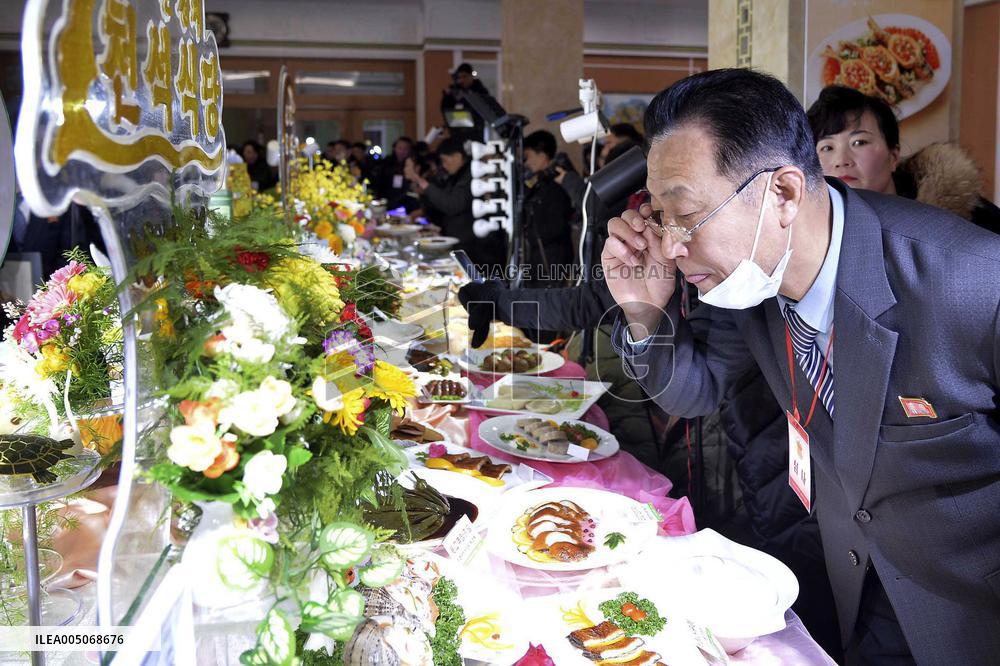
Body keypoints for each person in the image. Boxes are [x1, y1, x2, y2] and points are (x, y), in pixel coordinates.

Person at [602, 69, 1000, 665]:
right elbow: (700, 392)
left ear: (783, 193)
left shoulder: (971, 282)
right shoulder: (754, 285)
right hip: (850, 589)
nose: (672, 245)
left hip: (969, 616)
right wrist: (641, 313)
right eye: (660, 217)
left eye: (686, 215)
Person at [808, 84, 1000, 233]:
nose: (842, 160)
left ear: (893, 156)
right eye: (827, 147)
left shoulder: (968, 215)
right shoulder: (806, 232)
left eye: (859, 142)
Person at [408, 138, 504, 269]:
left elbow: (453, 204)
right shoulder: (458, 174)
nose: (444, 165)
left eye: (445, 160)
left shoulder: (472, 174)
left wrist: (421, 182)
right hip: (463, 242)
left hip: (474, 247)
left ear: (458, 156)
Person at [522, 130, 574, 286]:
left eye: (528, 156)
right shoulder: (537, 182)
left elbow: (557, 225)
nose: (526, 162)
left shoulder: (557, 184)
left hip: (553, 258)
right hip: (538, 254)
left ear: (543, 156)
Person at [440, 63, 493, 143]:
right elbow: (446, 109)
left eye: (464, 76)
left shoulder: (480, 90)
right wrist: (448, 96)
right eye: (459, 77)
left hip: (475, 132)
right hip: (457, 131)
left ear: (471, 76)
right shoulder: (455, 90)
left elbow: (484, 109)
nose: (462, 80)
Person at [372, 137, 414, 209]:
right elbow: (379, 184)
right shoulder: (385, 163)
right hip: (387, 201)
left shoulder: (412, 165)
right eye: (399, 148)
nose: (402, 151)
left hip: (406, 202)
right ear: (394, 148)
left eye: (405, 149)